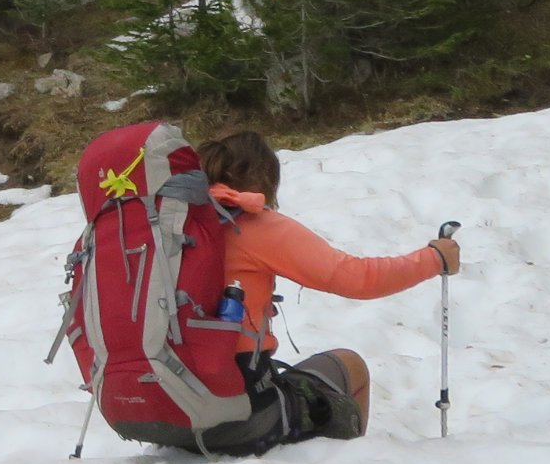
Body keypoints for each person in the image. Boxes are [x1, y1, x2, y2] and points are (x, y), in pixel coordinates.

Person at [195, 128, 461, 443]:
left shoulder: (175, 224)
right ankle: (343, 461)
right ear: (265, 178)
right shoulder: (253, 226)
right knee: (350, 366)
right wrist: (434, 259)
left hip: (171, 406)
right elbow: (357, 278)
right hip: (240, 412)